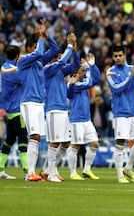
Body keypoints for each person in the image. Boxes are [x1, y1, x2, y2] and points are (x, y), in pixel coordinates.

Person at [18, 23, 60, 181]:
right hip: (28, 102)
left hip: (39, 104)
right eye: (34, 46)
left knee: (36, 138)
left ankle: (31, 172)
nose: (37, 49)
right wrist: (41, 38)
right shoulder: (23, 60)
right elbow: (40, 52)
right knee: (33, 135)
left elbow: (55, 50)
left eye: (37, 45)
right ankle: (29, 172)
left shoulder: (39, 62)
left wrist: (47, 36)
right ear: (29, 48)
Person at [41, 33, 79, 182]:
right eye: (57, 57)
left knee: (65, 142)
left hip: (63, 110)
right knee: (54, 143)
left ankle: (49, 170)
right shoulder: (47, 70)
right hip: (53, 110)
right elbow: (62, 61)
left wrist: (75, 51)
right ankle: (50, 174)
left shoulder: (61, 71)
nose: (59, 59)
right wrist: (69, 45)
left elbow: (75, 65)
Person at [106, 45, 134, 184]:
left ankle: (128, 168)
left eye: (120, 55)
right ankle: (119, 175)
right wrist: (131, 76)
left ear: (124, 55)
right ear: (113, 57)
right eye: (115, 56)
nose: (118, 58)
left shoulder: (131, 69)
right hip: (121, 113)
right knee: (120, 143)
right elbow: (117, 89)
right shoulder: (110, 72)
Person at [67, 54, 101, 180]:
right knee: (76, 145)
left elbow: (96, 79)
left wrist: (92, 65)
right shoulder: (74, 84)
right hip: (77, 120)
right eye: (82, 71)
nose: (85, 73)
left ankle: (87, 170)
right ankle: (72, 172)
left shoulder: (83, 82)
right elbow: (90, 81)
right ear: (76, 73)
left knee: (94, 144)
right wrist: (88, 67)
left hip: (87, 120)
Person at [0, 45, 28, 179]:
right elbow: (26, 80)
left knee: (9, 141)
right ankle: (27, 171)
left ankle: (0, 169)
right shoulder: (15, 70)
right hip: (18, 111)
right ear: (17, 56)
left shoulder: (3, 67)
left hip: (8, 111)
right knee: (23, 141)